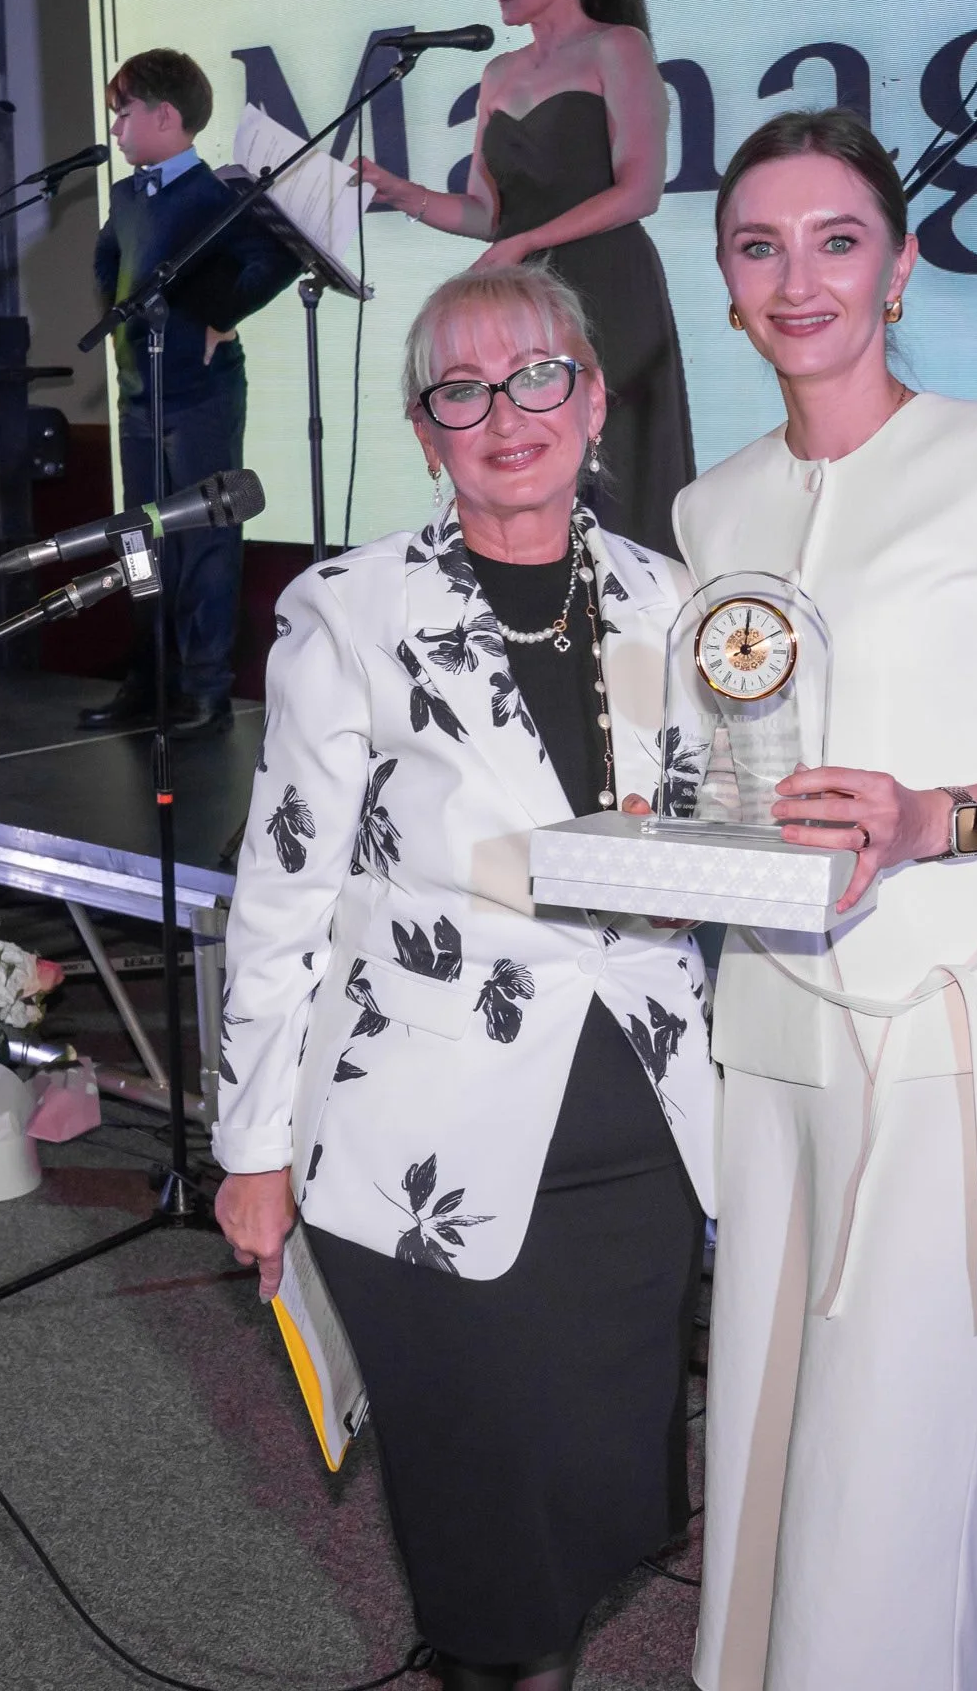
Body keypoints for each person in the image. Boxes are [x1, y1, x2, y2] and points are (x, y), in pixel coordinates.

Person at [672, 109, 977, 1689]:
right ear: (727, 283)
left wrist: (931, 820)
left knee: (889, 1452)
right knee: (765, 1429)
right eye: (761, 247)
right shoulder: (711, 508)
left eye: (837, 242)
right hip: (773, 1015)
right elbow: (722, 762)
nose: (798, 280)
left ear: (896, 271)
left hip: (959, 1019)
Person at [213, 263, 716, 1691]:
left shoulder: (673, 599)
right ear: (425, 430)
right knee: (488, 1520)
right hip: (421, 1146)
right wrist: (251, 1150)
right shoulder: (349, 610)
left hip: (639, 1135)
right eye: (462, 390)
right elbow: (284, 894)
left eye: (539, 375)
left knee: (601, 1492)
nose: (507, 415)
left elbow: (712, 829)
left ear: (595, 399)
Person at [355, 0, 695, 555]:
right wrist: (406, 193)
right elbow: (487, 214)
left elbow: (640, 191)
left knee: (618, 471)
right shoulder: (499, 73)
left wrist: (527, 243)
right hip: (527, 304)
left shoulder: (617, 47)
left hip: (609, 288)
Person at [80, 48, 297, 739]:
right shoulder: (127, 196)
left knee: (203, 538)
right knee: (138, 538)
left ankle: (204, 689)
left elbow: (276, 259)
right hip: (139, 393)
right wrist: (118, 322)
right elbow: (108, 256)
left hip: (200, 394)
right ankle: (148, 678)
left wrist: (219, 315)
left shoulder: (216, 195)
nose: (116, 128)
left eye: (124, 113)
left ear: (165, 116)